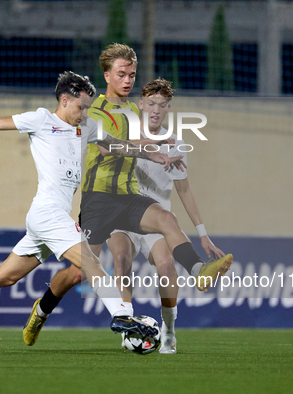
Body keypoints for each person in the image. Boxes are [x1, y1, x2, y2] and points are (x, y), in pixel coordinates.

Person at [0, 71, 184, 338]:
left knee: (6, 276)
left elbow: (115, 146)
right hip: (47, 213)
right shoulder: (41, 120)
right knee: (89, 260)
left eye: (88, 108)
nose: (84, 113)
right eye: (81, 107)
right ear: (65, 100)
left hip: (51, 216)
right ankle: (121, 316)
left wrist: (152, 152)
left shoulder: (87, 127)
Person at [22, 45, 232, 348]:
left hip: (128, 196)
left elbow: (137, 140)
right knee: (78, 272)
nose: (128, 80)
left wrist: (160, 145)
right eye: (121, 74)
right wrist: (153, 149)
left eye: (132, 74)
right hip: (98, 200)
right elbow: (111, 146)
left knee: (166, 218)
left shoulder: (133, 110)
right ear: (107, 75)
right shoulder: (93, 111)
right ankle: (41, 310)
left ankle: (199, 271)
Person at [107, 78, 225, 353]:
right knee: (121, 258)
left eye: (161, 105)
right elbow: (114, 149)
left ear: (169, 108)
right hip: (123, 215)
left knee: (166, 266)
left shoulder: (176, 144)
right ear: (141, 105)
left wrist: (203, 234)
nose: (156, 110)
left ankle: (169, 330)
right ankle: (128, 326)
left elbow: (184, 190)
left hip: (157, 219)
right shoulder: (126, 134)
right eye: (151, 104)